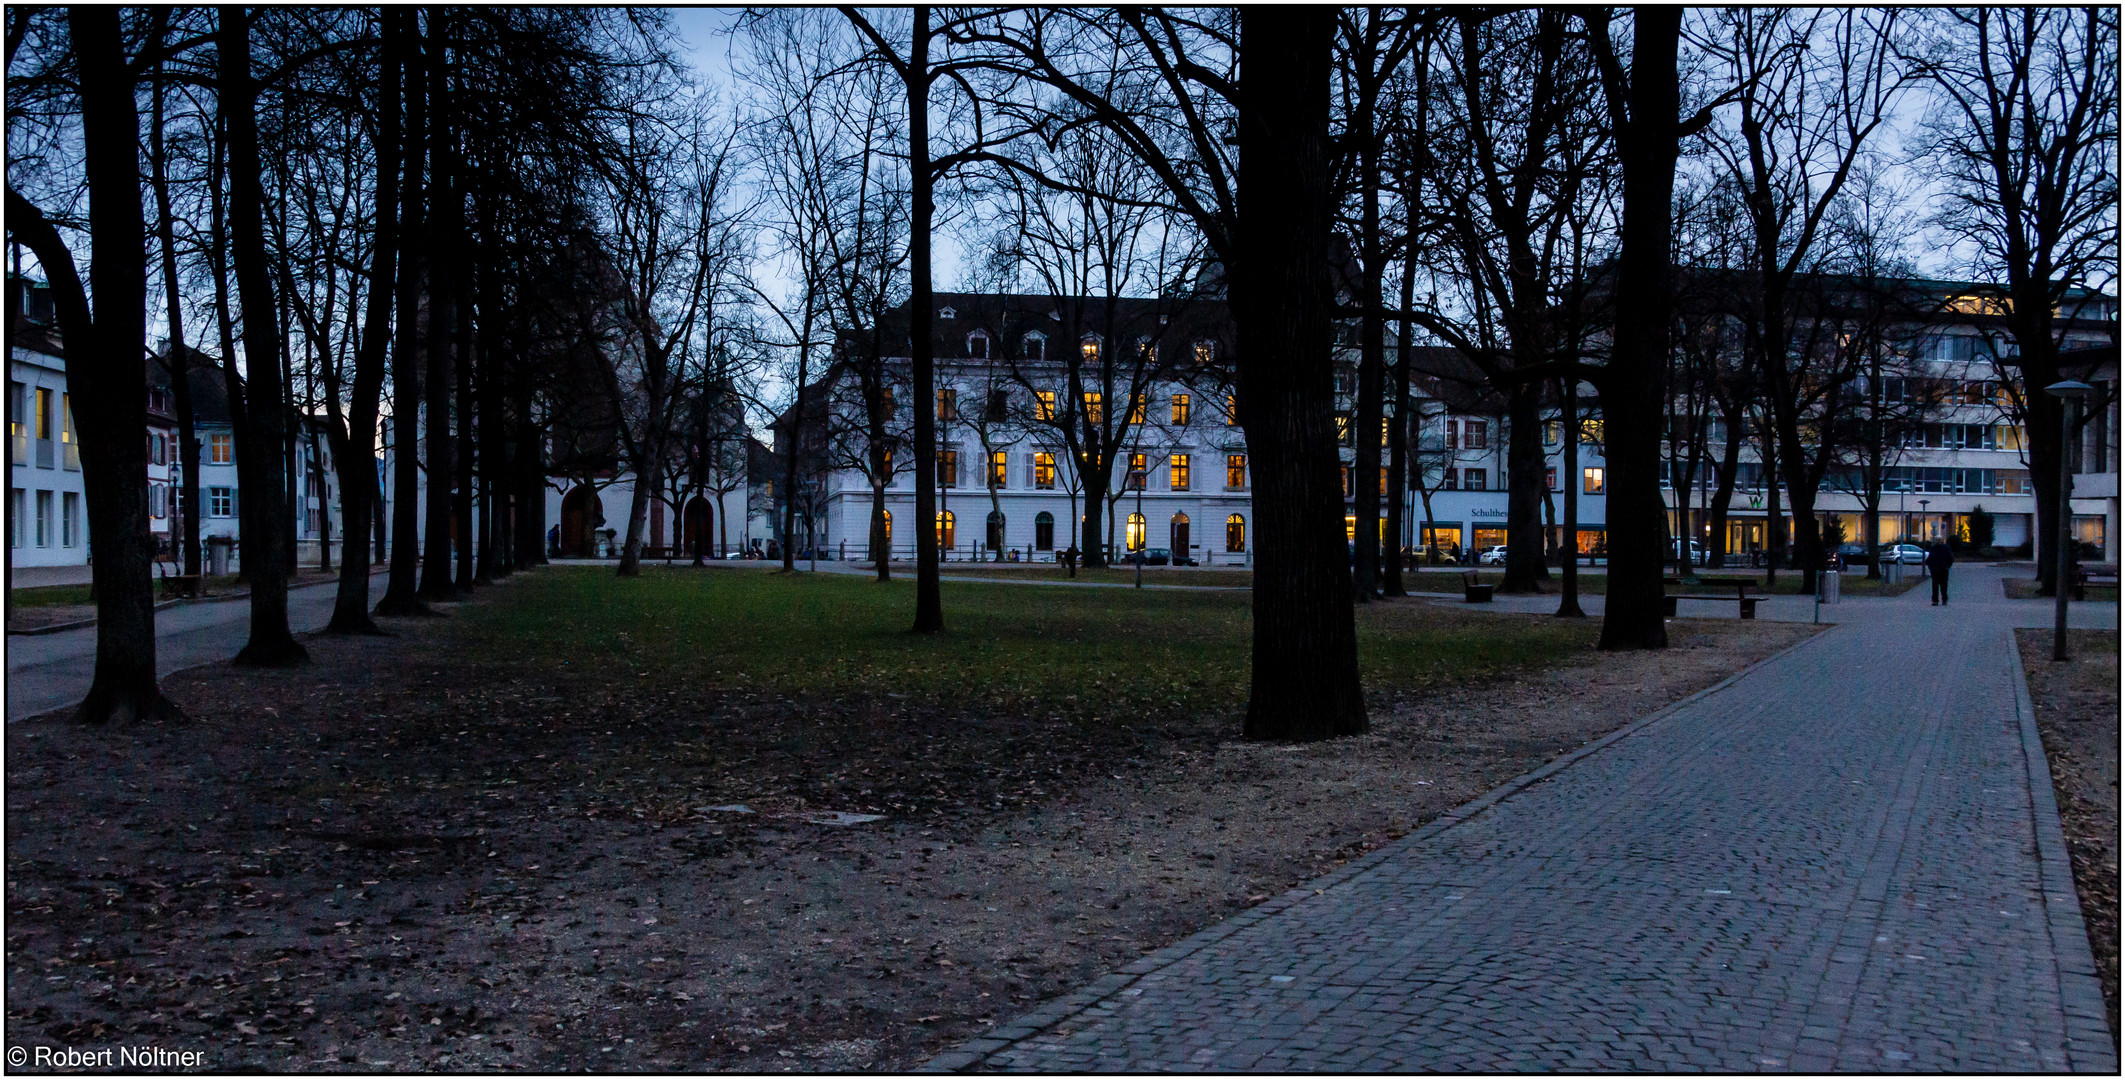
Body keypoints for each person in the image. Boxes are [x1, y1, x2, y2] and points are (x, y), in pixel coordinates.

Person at [1925, 540, 1954, 605]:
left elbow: (1930, 558)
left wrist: (1929, 566)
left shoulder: (1935, 548)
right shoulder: (1945, 548)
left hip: (1939, 569)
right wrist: (1948, 566)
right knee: (1941, 586)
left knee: (1938, 586)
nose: (1938, 541)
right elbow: (1950, 558)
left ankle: (1939, 600)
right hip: (1940, 569)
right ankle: (1941, 600)